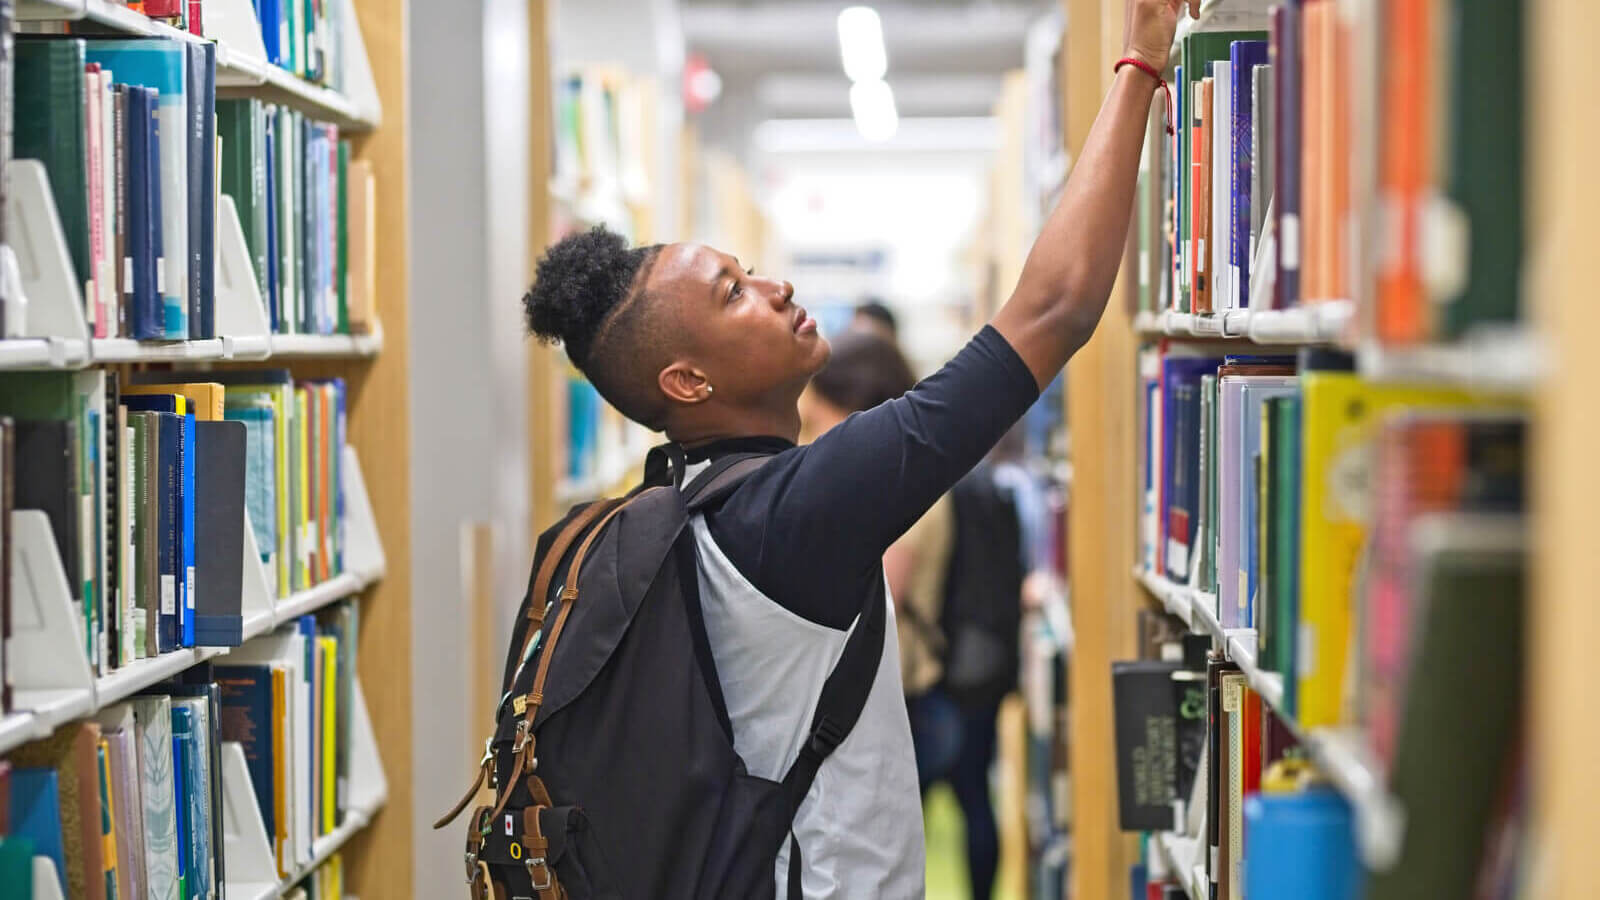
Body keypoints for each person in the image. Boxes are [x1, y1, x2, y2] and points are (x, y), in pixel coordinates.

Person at [518, 2, 1191, 894]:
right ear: (686, 383)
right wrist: (1140, 65)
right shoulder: (793, 513)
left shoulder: (679, 505)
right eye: (734, 293)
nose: (775, 284)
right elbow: (1053, 310)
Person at [797, 332, 964, 793]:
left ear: (859, 413)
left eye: (818, 421)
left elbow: (873, 604)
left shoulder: (906, 491)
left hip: (892, 699)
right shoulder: (886, 481)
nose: (810, 440)